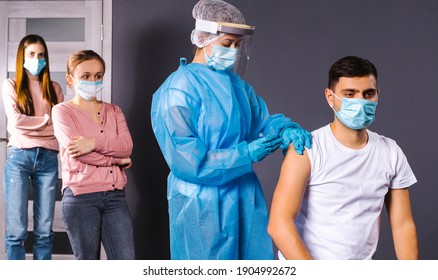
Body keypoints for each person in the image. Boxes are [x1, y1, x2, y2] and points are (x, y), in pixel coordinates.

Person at [151, 0, 312, 260]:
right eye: (227, 44)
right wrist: (244, 155)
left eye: (238, 45)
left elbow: (262, 121)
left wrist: (284, 129)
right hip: (202, 205)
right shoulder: (178, 89)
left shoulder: (237, 85)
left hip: (244, 197)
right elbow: (187, 161)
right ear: (203, 38)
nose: (234, 52)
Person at [268, 56, 419, 260]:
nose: (360, 101)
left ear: (377, 95)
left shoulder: (390, 152)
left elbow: (403, 225)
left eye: (368, 94)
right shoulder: (308, 149)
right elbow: (279, 225)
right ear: (330, 97)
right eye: (350, 94)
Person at [51, 50, 135, 259]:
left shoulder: (114, 111)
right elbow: (80, 154)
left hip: (115, 196)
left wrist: (93, 143)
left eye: (98, 76)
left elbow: (127, 147)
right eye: (85, 76)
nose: (93, 80)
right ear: (70, 79)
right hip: (80, 197)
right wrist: (117, 160)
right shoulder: (62, 111)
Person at [2, 34, 63, 260]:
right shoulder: (11, 85)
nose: (36, 59)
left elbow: (60, 127)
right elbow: (15, 122)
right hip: (19, 158)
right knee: (16, 231)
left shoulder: (54, 89)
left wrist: (32, 124)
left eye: (41, 55)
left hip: (48, 159)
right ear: (22, 57)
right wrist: (46, 120)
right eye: (31, 55)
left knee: (45, 232)